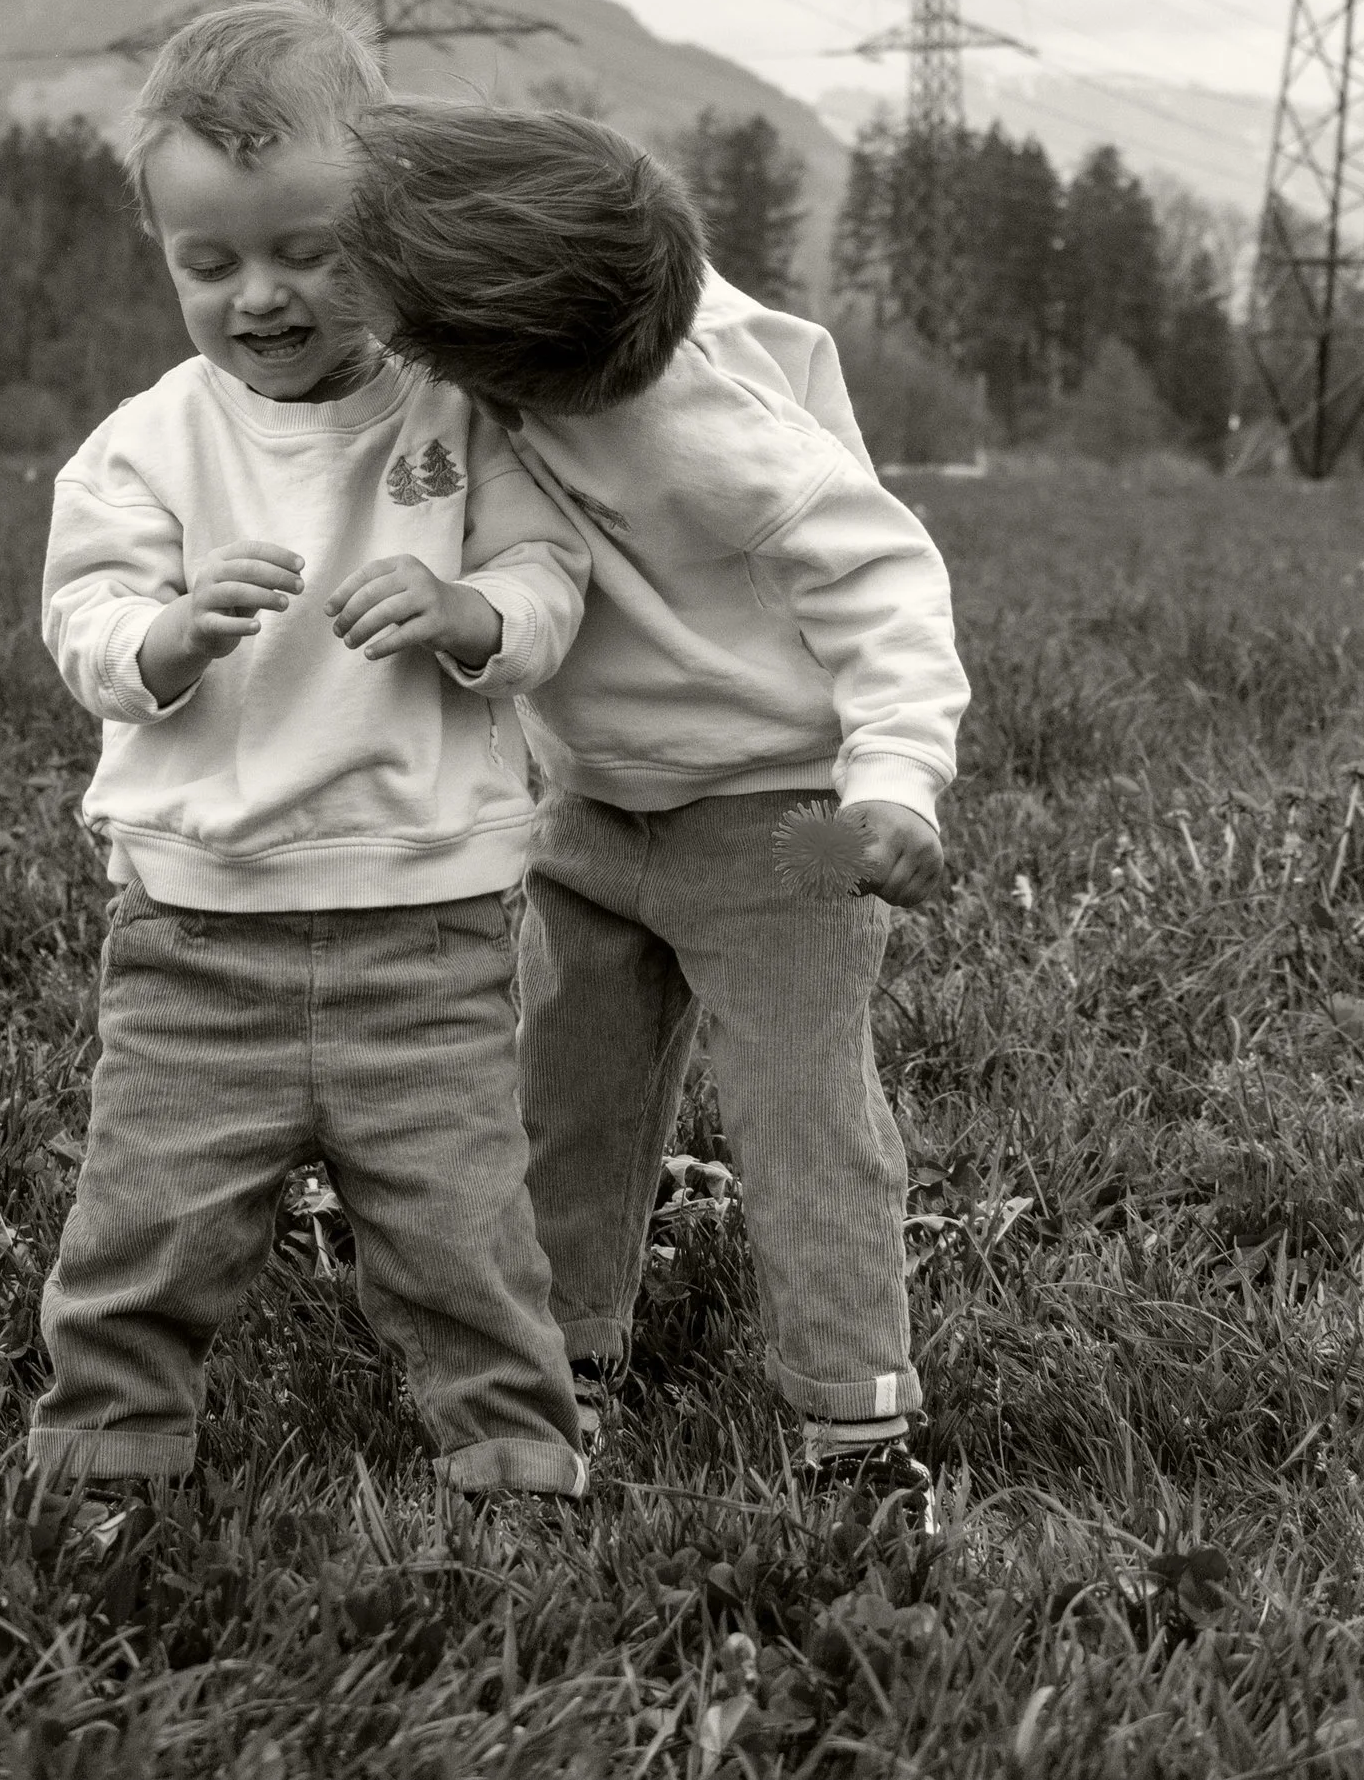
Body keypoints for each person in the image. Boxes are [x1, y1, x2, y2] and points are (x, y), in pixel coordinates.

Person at [338, 100, 968, 1506]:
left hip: (780, 819)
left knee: (801, 1119)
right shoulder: (494, 344)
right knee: (568, 1097)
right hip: (593, 809)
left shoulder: (705, 422)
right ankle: (565, 1362)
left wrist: (895, 779)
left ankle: (856, 1423)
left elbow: (887, 579)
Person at [29, 0, 590, 1503]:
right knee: (148, 1217)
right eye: (208, 264)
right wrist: (166, 635)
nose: (259, 296)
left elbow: (548, 582)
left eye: (308, 252)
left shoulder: (461, 420)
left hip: (428, 925)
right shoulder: (147, 444)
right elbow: (83, 618)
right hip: (199, 932)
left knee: (464, 1227)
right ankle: (106, 1457)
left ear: (387, 227)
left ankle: (515, 1455)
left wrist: (470, 610)